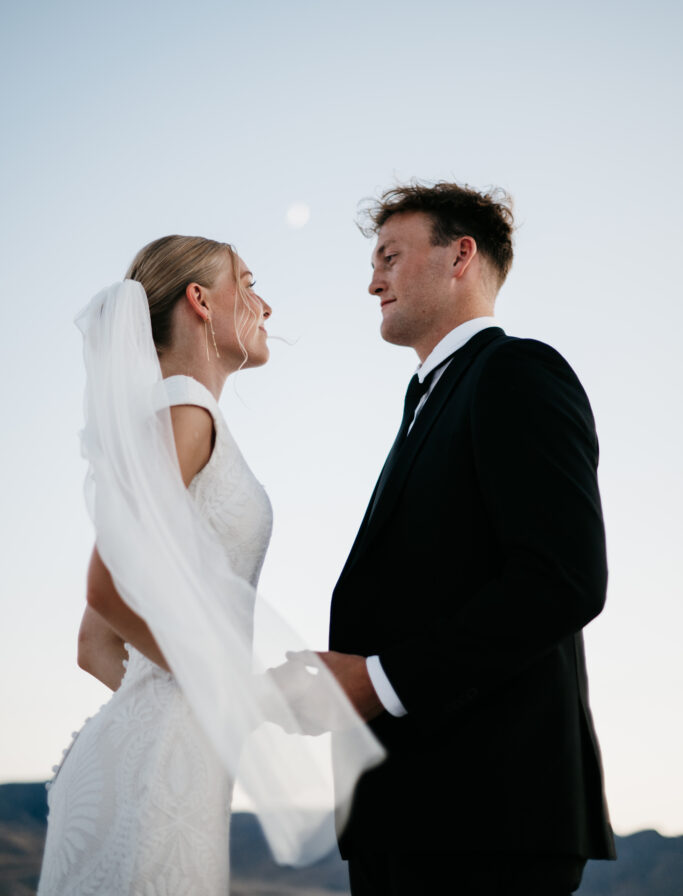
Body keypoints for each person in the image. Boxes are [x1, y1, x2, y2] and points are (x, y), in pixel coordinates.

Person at [38, 234, 382, 896]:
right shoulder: (185, 410)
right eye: (247, 283)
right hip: (161, 770)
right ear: (200, 301)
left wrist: (180, 714)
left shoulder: (164, 418)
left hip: (161, 758)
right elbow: (107, 594)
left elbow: (94, 645)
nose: (266, 307)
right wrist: (228, 696)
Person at [321, 182, 616, 896]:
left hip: (488, 816)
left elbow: (563, 578)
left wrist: (380, 682)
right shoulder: (427, 397)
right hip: (409, 811)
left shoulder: (515, 372)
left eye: (389, 256)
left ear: (460, 255)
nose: (372, 281)